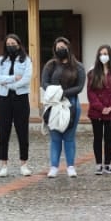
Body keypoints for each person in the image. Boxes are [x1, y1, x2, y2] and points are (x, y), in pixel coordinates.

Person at [41, 37, 86, 178]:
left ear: (68, 47)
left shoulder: (78, 66)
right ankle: (54, 166)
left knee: (69, 137)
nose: (61, 49)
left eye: (63, 47)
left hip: (71, 103)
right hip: (54, 103)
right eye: (58, 47)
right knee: (55, 138)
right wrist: (56, 93)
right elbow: (44, 82)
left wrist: (63, 93)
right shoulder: (50, 65)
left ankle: (71, 166)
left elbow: (79, 86)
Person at [0, 33, 33, 177]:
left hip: (21, 98)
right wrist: (12, 78)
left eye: (13, 44)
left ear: (19, 44)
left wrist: (10, 84)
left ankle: (24, 163)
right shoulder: (1, 60)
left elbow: (27, 79)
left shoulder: (26, 60)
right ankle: (3, 164)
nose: (11, 46)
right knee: (3, 132)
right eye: (8, 44)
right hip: (4, 100)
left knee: (22, 131)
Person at [87, 44, 111, 175]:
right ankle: (98, 164)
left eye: (106, 54)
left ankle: (108, 164)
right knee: (98, 137)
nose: (104, 56)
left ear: (110, 56)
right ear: (98, 56)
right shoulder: (92, 72)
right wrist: (101, 107)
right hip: (96, 111)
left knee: (108, 137)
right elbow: (90, 92)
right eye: (101, 54)